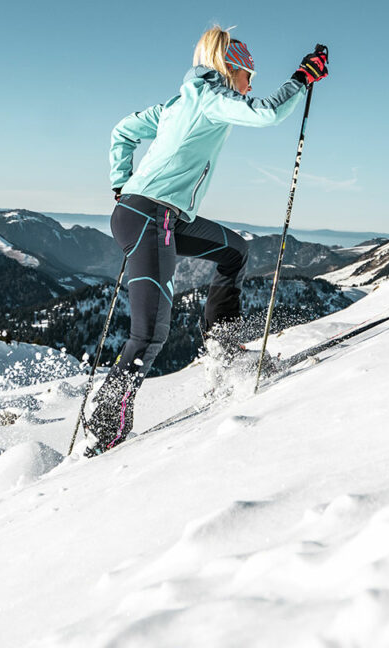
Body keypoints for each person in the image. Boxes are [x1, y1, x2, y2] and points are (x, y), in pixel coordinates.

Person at [83, 26, 329, 454]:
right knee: (150, 333)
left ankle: (225, 348)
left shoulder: (180, 103)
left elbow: (122, 131)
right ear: (230, 69)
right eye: (248, 74)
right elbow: (268, 113)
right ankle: (105, 428)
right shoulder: (212, 99)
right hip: (148, 216)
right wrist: (301, 78)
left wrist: (121, 183)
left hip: (156, 215)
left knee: (235, 250)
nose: (251, 83)